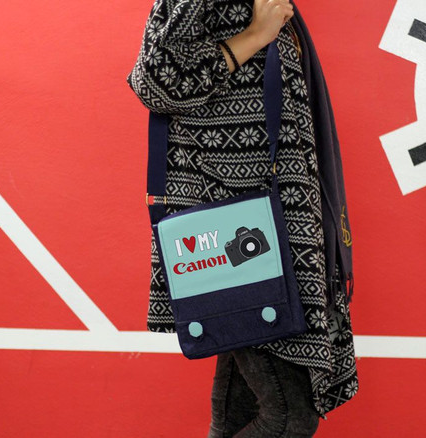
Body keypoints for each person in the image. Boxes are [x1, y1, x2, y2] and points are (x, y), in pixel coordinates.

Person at [126, 0, 358, 436]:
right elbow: (155, 78)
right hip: (243, 236)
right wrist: (254, 36)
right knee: (289, 419)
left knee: (237, 417)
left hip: (267, 228)